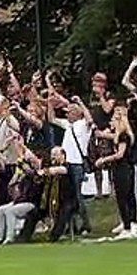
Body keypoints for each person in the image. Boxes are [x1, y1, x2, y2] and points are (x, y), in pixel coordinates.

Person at [95, 105, 137, 237]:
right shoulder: (121, 135)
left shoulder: (123, 136)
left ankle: (127, 225)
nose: (110, 122)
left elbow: (120, 154)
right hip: (123, 168)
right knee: (127, 195)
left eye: (113, 120)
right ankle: (130, 222)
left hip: (123, 168)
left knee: (123, 197)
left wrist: (104, 159)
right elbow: (112, 136)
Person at [51, 99, 94, 235]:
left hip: (77, 164)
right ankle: (71, 226)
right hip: (66, 164)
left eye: (69, 112)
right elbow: (52, 118)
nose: (67, 115)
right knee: (67, 196)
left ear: (76, 114)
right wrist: (49, 104)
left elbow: (89, 119)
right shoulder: (67, 125)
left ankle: (86, 224)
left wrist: (81, 103)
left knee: (77, 197)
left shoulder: (82, 125)